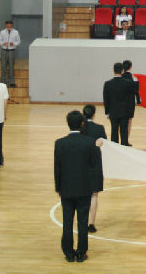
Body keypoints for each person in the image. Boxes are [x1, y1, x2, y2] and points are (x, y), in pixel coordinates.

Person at [54, 111, 100, 263]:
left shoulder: (60, 143)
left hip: (66, 188)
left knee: (67, 221)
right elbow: (94, 166)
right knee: (82, 221)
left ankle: (68, 253)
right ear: (82, 124)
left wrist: (58, 187)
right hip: (84, 188)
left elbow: (57, 168)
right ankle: (81, 252)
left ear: (68, 123)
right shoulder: (90, 142)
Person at [81, 105, 106, 234]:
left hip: (81, 163)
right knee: (94, 194)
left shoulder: (79, 128)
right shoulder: (99, 128)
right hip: (94, 163)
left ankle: (82, 221)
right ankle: (91, 223)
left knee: (82, 195)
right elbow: (104, 143)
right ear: (94, 114)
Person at [102, 63, 137, 146]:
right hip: (124, 111)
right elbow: (133, 93)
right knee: (124, 131)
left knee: (114, 131)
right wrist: (135, 80)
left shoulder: (107, 83)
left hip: (113, 111)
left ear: (113, 71)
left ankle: (115, 148)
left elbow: (106, 99)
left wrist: (107, 112)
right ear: (122, 71)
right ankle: (124, 147)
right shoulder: (128, 83)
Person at [0, 20, 21, 88]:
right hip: (4, 50)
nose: (8, 26)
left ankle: (11, 82)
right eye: (7, 25)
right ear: (6, 25)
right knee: (3, 66)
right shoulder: (2, 32)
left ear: (12, 25)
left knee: (11, 66)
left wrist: (14, 44)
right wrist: (2, 43)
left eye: (10, 25)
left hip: (12, 50)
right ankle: (3, 81)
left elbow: (18, 41)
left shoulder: (16, 32)